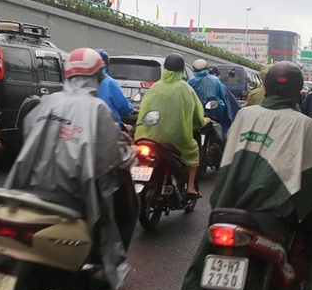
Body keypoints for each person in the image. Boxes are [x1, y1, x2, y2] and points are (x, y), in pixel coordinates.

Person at [180, 61, 312, 290]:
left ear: (266, 87)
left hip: (229, 198)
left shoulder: (244, 114)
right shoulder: (302, 124)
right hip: (275, 206)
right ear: (297, 90)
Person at [2, 48, 136, 290]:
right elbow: (109, 157)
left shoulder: (48, 102)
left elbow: (28, 132)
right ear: (97, 75)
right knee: (114, 213)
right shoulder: (97, 108)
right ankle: (103, 264)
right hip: (75, 190)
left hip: (32, 184)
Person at [135, 53, 206, 197]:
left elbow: (143, 110)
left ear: (165, 68)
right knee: (193, 151)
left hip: (148, 135)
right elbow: (197, 118)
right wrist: (203, 122)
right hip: (176, 139)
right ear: (181, 70)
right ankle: (191, 187)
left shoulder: (154, 88)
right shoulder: (185, 89)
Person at [188, 59, 232, 133]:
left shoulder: (191, 81)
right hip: (215, 112)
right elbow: (223, 95)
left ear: (193, 68)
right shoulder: (215, 80)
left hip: (196, 112)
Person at [96, 49, 134, 128]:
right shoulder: (109, 82)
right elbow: (123, 107)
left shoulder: (76, 83)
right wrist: (131, 109)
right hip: (109, 128)